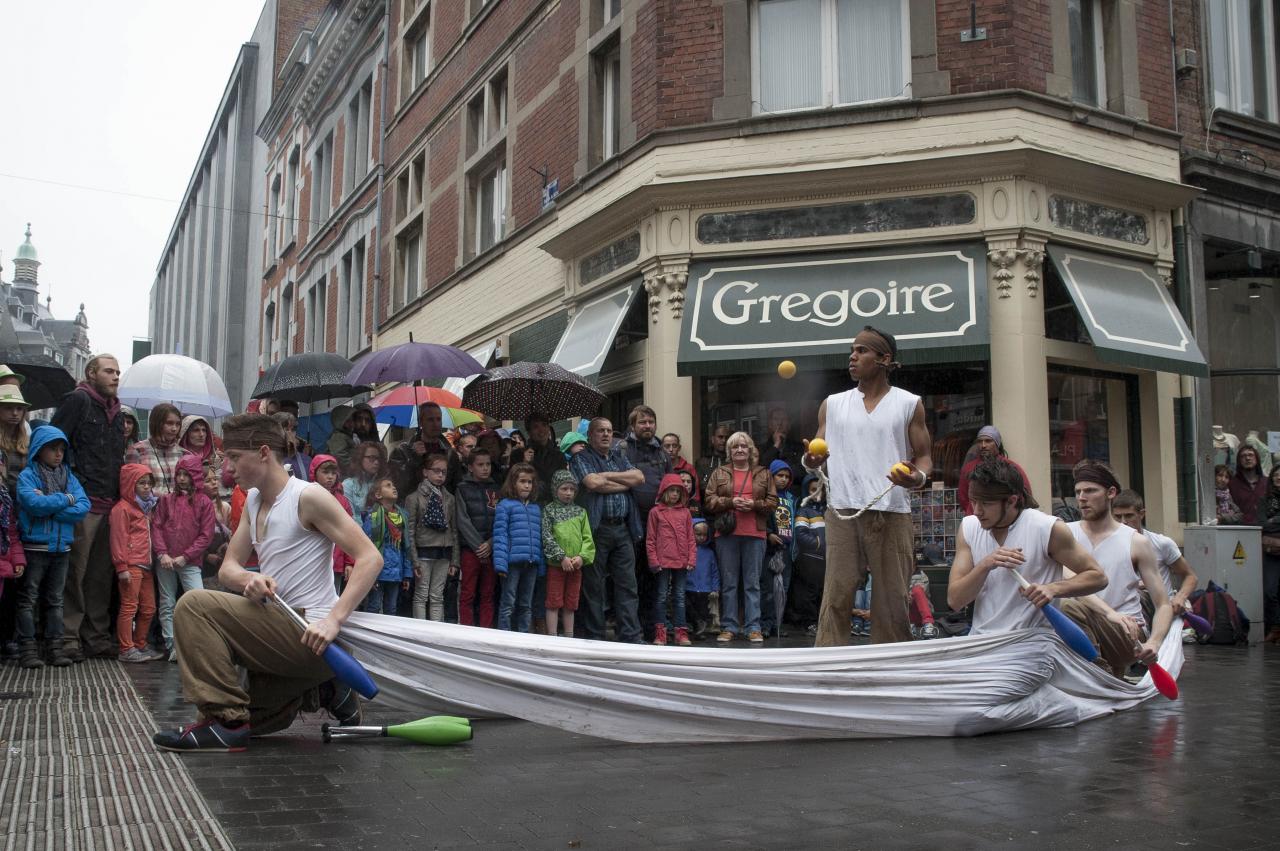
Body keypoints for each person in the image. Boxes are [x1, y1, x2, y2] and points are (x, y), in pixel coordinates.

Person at [152, 413, 382, 752]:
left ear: (262, 453)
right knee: (253, 719)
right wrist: (250, 578)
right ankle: (326, 690)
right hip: (278, 627)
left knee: (193, 606)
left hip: (309, 631)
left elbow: (370, 558)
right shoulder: (254, 500)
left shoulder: (308, 497)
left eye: (234, 457)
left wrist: (333, 620)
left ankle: (226, 723)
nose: (228, 468)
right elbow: (229, 568)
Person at [806, 327, 933, 647]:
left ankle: (890, 667)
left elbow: (924, 457)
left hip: (892, 512)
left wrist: (917, 478)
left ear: (884, 359)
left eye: (862, 350)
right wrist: (810, 460)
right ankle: (828, 666)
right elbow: (816, 454)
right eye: (852, 350)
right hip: (843, 511)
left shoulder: (909, 403)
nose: (853, 356)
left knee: (892, 600)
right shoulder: (833, 404)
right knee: (836, 596)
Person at [946, 458, 1109, 642]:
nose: (977, 511)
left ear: (1011, 501)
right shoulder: (969, 527)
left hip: (1033, 641)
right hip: (982, 641)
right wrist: (985, 565)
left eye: (986, 503)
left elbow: (1098, 577)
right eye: (973, 502)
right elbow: (955, 600)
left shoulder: (1046, 528)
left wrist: (1053, 589)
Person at [1061, 460, 1173, 677]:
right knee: (1063, 608)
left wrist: (1154, 643)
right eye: (1078, 492)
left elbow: (1163, 604)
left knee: (1067, 607)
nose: (1082, 498)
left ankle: (1099, 678)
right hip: (1080, 626)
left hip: (1126, 631)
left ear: (1111, 493)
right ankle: (1107, 675)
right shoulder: (1064, 533)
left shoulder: (1136, 541)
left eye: (1090, 491)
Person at [52, 354, 126, 662]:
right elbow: (54, 444)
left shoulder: (118, 412)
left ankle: (95, 637)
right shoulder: (77, 401)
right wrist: (73, 485)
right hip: (82, 502)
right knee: (75, 574)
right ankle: (68, 637)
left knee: (100, 576)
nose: (116, 376)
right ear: (91, 373)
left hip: (111, 502)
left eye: (118, 372)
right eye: (109, 371)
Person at [16, 425, 90, 669]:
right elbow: (33, 504)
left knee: (55, 600)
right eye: (52, 449)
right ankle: (27, 649)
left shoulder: (68, 476)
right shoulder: (28, 475)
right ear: (39, 449)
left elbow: (83, 506)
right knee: (29, 599)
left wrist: (50, 506)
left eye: (61, 449)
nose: (58, 454)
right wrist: (65, 499)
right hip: (35, 547)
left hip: (61, 548)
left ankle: (55, 648)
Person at [569, 418, 645, 644]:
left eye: (609, 431)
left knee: (627, 585)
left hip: (623, 528)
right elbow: (592, 483)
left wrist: (606, 476)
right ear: (590, 435)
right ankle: (595, 636)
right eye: (600, 431)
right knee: (594, 586)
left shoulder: (618, 456)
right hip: (596, 529)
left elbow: (639, 478)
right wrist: (624, 482)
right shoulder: (581, 458)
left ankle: (630, 636)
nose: (606, 435)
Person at [704, 432, 777, 645]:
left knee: (752, 583)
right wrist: (730, 502)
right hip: (727, 534)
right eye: (735, 447)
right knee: (729, 583)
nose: (739, 450)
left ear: (750, 450)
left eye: (743, 446)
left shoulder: (764, 473)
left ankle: (753, 627)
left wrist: (754, 504)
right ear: (729, 451)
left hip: (755, 533)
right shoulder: (719, 472)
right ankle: (729, 627)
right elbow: (709, 500)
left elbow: (773, 502)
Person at [153, 454, 215, 661]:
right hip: (166, 561)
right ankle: (172, 645)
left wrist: (186, 556)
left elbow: (205, 535)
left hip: (189, 562)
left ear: (194, 476)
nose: (181, 478)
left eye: (186, 475)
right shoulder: (166, 500)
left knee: (198, 601)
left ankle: (197, 644)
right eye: (179, 474)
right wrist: (162, 553)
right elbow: (157, 527)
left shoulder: (204, 502)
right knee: (167, 602)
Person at [1112, 490, 1199, 622]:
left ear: (1142, 514)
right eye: (1118, 517)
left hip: (1157, 609)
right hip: (1122, 611)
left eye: (1129, 516)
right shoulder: (1107, 547)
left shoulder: (1162, 543)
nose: (1123, 522)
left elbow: (1190, 576)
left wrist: (1180, 597)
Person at [624, 405, 672, 639]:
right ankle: (632, 629)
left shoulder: (662, 453)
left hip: (657, 524)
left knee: (654, 577)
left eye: (651, 422)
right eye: (642, 422)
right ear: (633, 425)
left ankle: (652, 627)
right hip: (630, 522)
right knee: (630, 578)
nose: (647, 426)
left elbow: (671, 485)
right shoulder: (623, 450)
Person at [112, 464, 163, 663]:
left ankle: (140, 643)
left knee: (149, 607)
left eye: (149, 483)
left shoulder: (146, 507)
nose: (147, 487)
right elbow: (118, 539)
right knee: (129, 607)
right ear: (130, 484)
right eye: (141, 483)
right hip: (131, 565)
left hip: (146, 564)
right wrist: (121, 567)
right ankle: (126, 649)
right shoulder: (122, 509)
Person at [406, 453, 460, 621]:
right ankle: (420, 630)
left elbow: (454, 530)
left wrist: (455, 560)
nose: (440, 475)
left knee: (437, 596)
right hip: (423, 551)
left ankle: (436, 630)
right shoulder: (414, 498)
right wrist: (414, 560)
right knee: (421, 594)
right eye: (436, 471)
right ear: (425, 472)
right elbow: (409, 532)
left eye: (444, 472)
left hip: (444, 551)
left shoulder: (449, 498)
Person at [541, 470, 594, 638]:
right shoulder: (549, 511)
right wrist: (561, 557)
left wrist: (582, 557)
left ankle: (569, 637)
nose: (568, 493)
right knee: (553, 601)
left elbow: (587, 538)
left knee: (571, 603)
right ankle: (552, 637)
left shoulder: (581, 512)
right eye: (564, 489)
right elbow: (546, 536)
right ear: (555, 489)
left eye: (572, 489)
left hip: (575, 566)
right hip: (556, 566)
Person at [646, 473, 697, 646]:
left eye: (678, 491)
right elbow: (650, 539)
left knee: (679, 596)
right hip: (662, 561)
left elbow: (691, 538)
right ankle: (660, 633)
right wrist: (653, 560)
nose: (675, 494)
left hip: (681, 561)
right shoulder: (655, 512)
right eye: (671, 490)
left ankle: (681, 632)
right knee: (661, 596)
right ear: (664, 491)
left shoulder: (685, 513)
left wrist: (692, 558)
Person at [493, 463, 543, 633]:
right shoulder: (505, 505)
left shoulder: (536, 508)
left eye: (530, 482)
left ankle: (524, 637)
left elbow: (539, 538)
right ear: (513, 483)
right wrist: (500, 564)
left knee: (526, 604)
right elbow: (500, 535)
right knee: (508, 603)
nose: (527, 485)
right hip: (511, 563)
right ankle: (504, 636)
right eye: (522, 481)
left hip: (531, 563)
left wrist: (540, 564)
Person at [455, 448, 500, 627]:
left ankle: (486, 631)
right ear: (470, 467)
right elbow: (462, 520)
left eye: (488, 464)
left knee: (488, 593)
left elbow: (501, 519)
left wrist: (491, 543)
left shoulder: (496, 489)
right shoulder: (462, 488)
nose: (485, 468)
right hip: (470, 549)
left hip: (492, 549)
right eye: (480, 464)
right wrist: (479, 545)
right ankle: (467, 630)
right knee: (468, 592)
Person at [362, 477, 413, 615]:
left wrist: (407, 574)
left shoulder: (402, 517)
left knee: (391, 609)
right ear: (378, 495)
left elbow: (406, 548)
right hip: (377, 573)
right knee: (374, 606)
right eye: (388, 486)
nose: (393, 487)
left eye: (393, 485)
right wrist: (369, 575)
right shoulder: (373, 517)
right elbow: (367, 546)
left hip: (396, 572)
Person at [957, 425, 1033, 515]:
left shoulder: (1010, 466)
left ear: (997, 443)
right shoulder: (969, 468)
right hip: (976, 517)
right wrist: (973, 513)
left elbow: (1025, 494)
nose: (983, 445)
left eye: (988, 441)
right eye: (980, 441)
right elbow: (963, 497)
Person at [761, 460, 797, 638]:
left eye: (787, 476)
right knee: (768, 589)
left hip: (787, 549)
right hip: (770, 549)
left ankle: (778, 624)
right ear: (771, 476)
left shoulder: (792, 498)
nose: (783, 479)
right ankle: (765, 624)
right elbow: (760, 517)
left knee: (783, 589)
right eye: (779, 475)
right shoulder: (766, 496)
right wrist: (768, 534)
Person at [309, 454, 354, 592]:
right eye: (325, 472)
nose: (330, 477)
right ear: (314, 472)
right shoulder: (306, 495)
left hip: (336, 562)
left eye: (333, 473)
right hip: (310, 561)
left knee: (334, 599)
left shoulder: (342, 501)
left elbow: (350, 533)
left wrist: (349, 562)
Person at [390, 401, 452, 497]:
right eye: (430, 419)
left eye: (438, 419)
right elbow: (397, 485)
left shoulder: (450, 453)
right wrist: (414, 458)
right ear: (421, 422)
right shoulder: (402, 451)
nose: (436, 424)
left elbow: (454, 486)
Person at [792, 474, 826, 633]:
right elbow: (800, 534)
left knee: (822, 591)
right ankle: (809, 623)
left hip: (825, 559)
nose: (817, 493)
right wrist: (819, 544)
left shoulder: (829, 510)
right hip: (809, 559)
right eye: (813, 490)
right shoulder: (804, 510)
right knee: (808, 593)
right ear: (806, 491)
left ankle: (821, 622)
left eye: (820, 490)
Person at [687, 520, 719, 639]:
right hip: (688, 587)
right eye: (698, 534)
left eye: (704, 535)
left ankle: (700, 632)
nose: (701, 537)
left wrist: (715, 588)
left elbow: (714, 571)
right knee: (689, 609)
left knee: (703, 612)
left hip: (705, 588)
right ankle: (693, 627)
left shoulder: (709, 553)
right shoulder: (686, 550)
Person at [759, 406, 805, 490]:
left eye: (783, 419)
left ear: (789, 425)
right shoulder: (761, 448)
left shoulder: (799, 447)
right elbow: (762, 470)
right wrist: (776, 446)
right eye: (776, 419)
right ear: (770, 425)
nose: (779, 423)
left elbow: (800, 473)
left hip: (793, 493)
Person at [526, 413, 566, 501]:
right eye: (535, 427)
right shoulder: (520, 454)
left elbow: (563, 482)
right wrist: (525, 463)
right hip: (530, 503)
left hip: (554, 502)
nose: (541, 430)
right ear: (529, 432)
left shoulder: (559, 455)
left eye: (544, 425)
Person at [343, 442, 387, 517]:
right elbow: (349, 516)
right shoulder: (348, 485)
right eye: (371, 458)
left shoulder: (383, 484)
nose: (376, 462)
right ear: (360, 458)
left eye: (378, 459)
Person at [0, 384, 30, 486]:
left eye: (19, 408)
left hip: (22, 493)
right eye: (8, 408)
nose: (15, 413)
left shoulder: (28, 440)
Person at [1229, 446, 1268, 525]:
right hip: (1240, 528)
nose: (1247, 458)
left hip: (1265, 528)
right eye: (1243, 456)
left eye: (1251, 455)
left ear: (1257, 459)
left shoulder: (1267, 483)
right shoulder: (1231, 484)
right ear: (1239, 461)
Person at [272, 412, 312, 482]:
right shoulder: (267, 458)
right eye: (286, 429)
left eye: (293, 429)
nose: (289, 433)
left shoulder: (306, 460)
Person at [695, 425, 731, 491]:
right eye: (720, 437)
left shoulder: (733, 462)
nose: (724, 440)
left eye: (726, 438)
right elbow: (700, 486)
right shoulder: (702, 463)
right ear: (713, 439)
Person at [325, 406, 356, 474]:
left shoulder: (346, 435)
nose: (352, 423)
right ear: (340, 422)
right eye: (348, 421)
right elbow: (340, 456)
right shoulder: (338, 436)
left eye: (352, 420)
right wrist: (355, 467)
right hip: (344, 475)